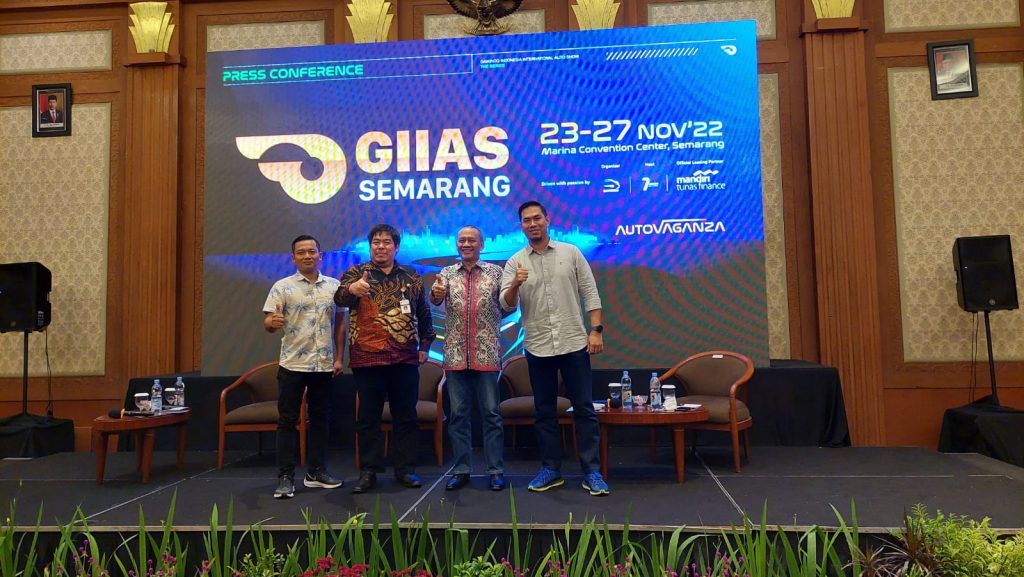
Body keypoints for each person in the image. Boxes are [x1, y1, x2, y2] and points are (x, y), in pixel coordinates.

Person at [500, 200, 610, 496]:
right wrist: (514, 284)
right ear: (521, 226)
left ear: (547, 220)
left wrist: (596, 330)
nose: (532, 224)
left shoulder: (570, 252)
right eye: (526, 220)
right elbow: (506, 305)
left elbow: (590, 292)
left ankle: (592, 471)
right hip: (538, 346)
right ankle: (551, 469)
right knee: (544, 411)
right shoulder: (514, 262)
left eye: (537, 218)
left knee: (584, 409)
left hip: (574, 342)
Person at [335, 224, 436, 493]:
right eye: (376, 242)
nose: (381, 246)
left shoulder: (411, 276)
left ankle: (405, 470)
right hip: (367, 357)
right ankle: (368, 471)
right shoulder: (356, 273)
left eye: (386, 242)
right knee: (368, 418)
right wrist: (352, 290)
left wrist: (425, 344)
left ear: (396, 247)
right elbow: (339, 299)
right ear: (370, 247)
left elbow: (423, 312)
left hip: (405, 357)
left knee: (406, 416)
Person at [263, 234, 346, 499]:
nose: (307, 256)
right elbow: (269, 322)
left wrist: (339, 357)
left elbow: (340, 325)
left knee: (320, 419)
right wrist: (272, 323)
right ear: (293, 258)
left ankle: (316, 472)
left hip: (323, 364)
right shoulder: (282, 287)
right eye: (301, 252)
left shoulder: (334, 286)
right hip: (293, 364)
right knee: (287, 421)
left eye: (312, 251)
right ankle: (286, 477)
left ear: (321, 255)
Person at [429, 226, 506, 492]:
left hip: (486, 353)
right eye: (461, 240)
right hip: (456, 355)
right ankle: (461, 470)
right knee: (458, 415)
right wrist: (437, 294)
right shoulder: (446, 273)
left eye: (471, 240)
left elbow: (507, 306)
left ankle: (496, 471)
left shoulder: (496, 273)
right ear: (456, 245)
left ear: (481, 245)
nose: (466, 244)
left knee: (492, 414)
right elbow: (435, 299)